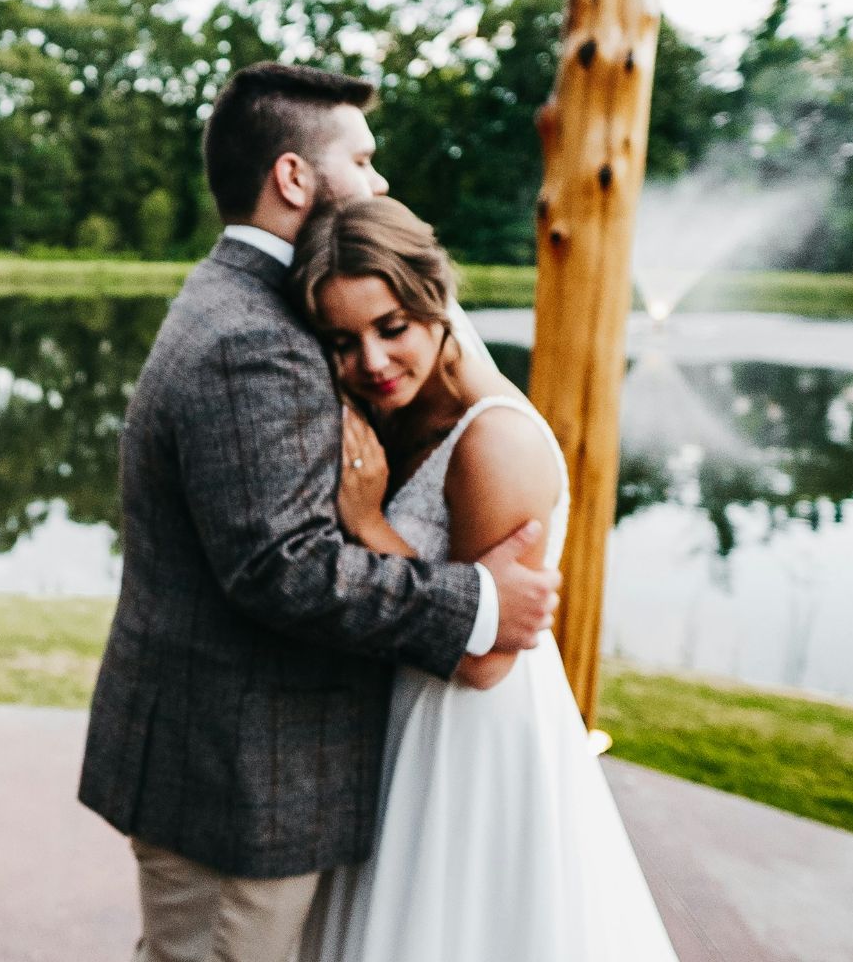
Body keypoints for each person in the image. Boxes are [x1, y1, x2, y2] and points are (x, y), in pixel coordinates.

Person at [77, 62, 563, 962]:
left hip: (231, 761)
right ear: (295, 176)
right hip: (237, 778)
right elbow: (282, 566)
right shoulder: (256, 336)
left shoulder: (243, 300)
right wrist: (479, 604)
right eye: (363, 160)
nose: (379, 181)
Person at [290, 197, 678, 962]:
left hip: (465, 740)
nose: (372, 361)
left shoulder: (493, 442)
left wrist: (366, 522)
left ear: (436, 302)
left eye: (392, 327)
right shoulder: (394, 412)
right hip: (402, 720)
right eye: (343, 341)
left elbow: (485, 659)